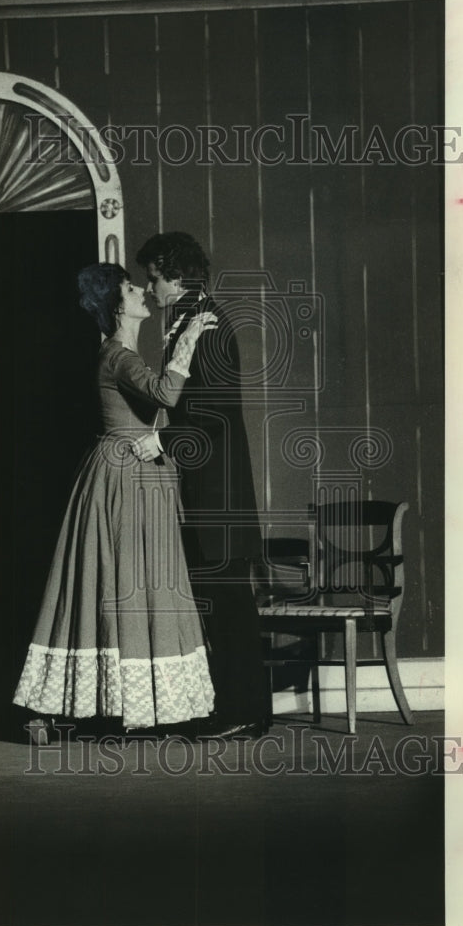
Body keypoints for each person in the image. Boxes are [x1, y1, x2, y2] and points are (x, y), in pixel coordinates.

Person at [13, 262, 217, 741]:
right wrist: (187, 341)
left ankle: (134, 703)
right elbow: (166, 392)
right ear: (115, 305)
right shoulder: (116, 356)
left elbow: (156, 411)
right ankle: (52, 708)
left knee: (137, 580)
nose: (142, 291)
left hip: (137, 473)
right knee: (118, 579)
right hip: (124, 477)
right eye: (131, 288)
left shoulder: (121, 353)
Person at [133, 232, 267, 739]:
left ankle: (246, 711)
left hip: (219, 497)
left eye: (153, 278)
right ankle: (235, 706)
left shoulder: (205, 324)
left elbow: (212, 415)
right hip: (206, 494)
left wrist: (161, 442)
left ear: (176, 274)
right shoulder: (190, 321)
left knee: (229, 605)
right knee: (219, 603)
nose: (149, 288)